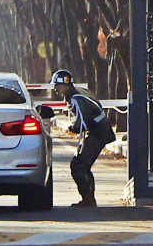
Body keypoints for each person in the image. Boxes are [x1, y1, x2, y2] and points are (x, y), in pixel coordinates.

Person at [50, 70, 116, 207]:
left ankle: (88, 199)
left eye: (57, 85)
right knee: (83, 166)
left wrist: (73, 128)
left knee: (78, 166)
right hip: (100, 130)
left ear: (64, 85)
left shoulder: (75, 97)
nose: (56, 89)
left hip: (98, 132)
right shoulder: (79, 91)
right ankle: (89, 198)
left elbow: (83, 121)